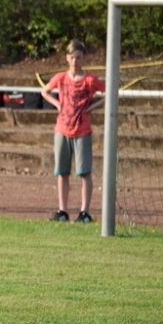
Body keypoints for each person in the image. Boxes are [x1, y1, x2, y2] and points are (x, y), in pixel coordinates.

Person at [41, 39, 106, 223]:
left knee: (84, 172)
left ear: (83, 59)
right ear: (67, 58)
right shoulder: (61, 78)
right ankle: (62, 210)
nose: (75, 61)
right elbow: (45, 91)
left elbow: (109, 93)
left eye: (79, 57)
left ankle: (84, 212)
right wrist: (57, 104)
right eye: (72, 57)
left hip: (82, 131)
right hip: (62, 130)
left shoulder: (90, 80)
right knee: (62, 172)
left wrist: (93, 107)